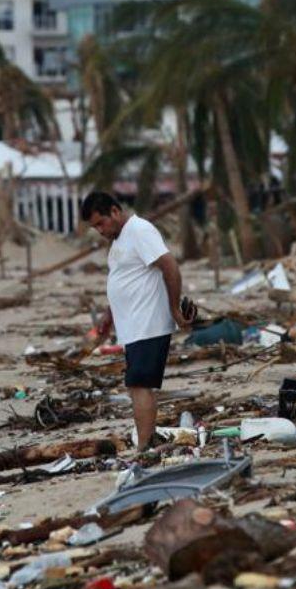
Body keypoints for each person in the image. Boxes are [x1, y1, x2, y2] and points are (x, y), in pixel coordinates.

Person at [81, 191, 191, 454]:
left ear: (115, 212)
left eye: (100, 223)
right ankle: (147, 442)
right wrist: (109, 319)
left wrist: (174, 308)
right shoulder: (120, 240)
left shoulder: (140, 230)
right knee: (137, 385)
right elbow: (123, 280)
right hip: (133, 326)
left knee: (139, 384)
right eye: (95, 226)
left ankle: (144, 447)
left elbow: (170, 266)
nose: (99, 231)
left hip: (148, 322)